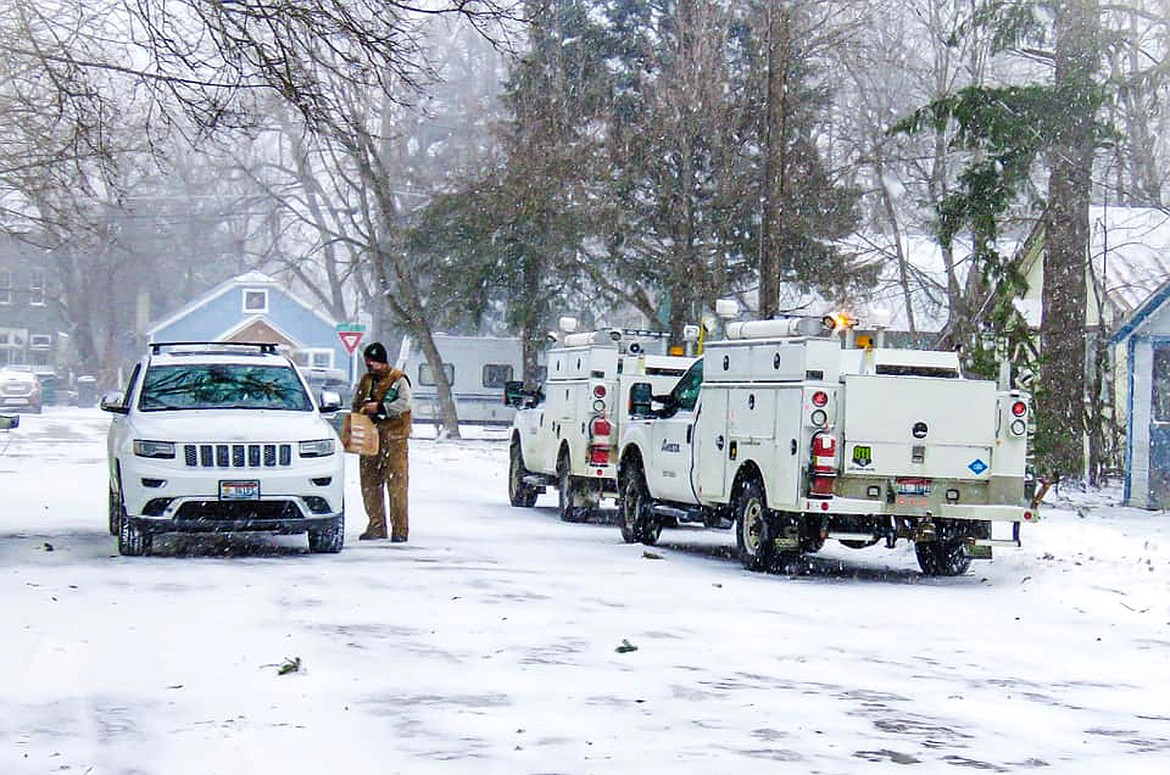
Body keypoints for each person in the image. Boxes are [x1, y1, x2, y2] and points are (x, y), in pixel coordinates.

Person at [352, 341, 412, 541]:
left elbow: (404, 404)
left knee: (397, 486)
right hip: (370, 439)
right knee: (369, 485)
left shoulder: (399, 380)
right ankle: (376, 526)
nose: (370, 367)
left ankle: (400, 530)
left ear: (382, 361)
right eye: (368, 363)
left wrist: (380, 408)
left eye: (373, 363)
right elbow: (356, 403)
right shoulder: (366, 381)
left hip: (395, 440)